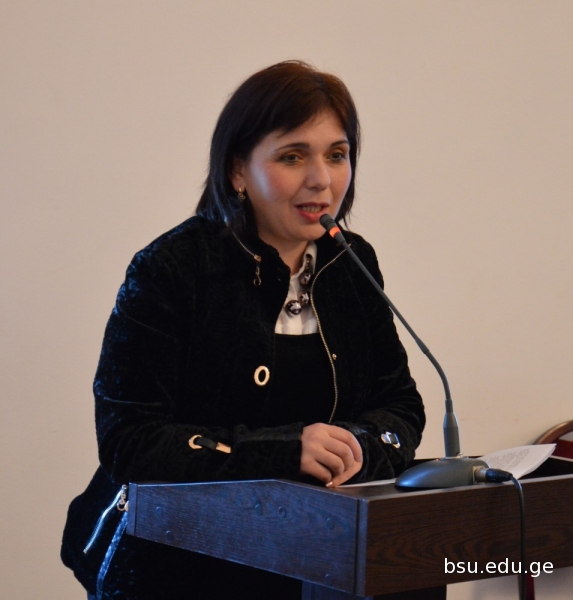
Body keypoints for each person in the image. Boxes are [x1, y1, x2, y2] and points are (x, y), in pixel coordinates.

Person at [61, 60, 425, 600]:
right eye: (292, 156)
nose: (322, 180)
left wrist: (356, 447)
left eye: (337, 154)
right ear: (237, 171)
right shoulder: (171, 268)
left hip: (320, 555)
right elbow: (129, 442)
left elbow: (400, 405)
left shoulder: (351, 261)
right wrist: (286, 450)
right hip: (178, 565)